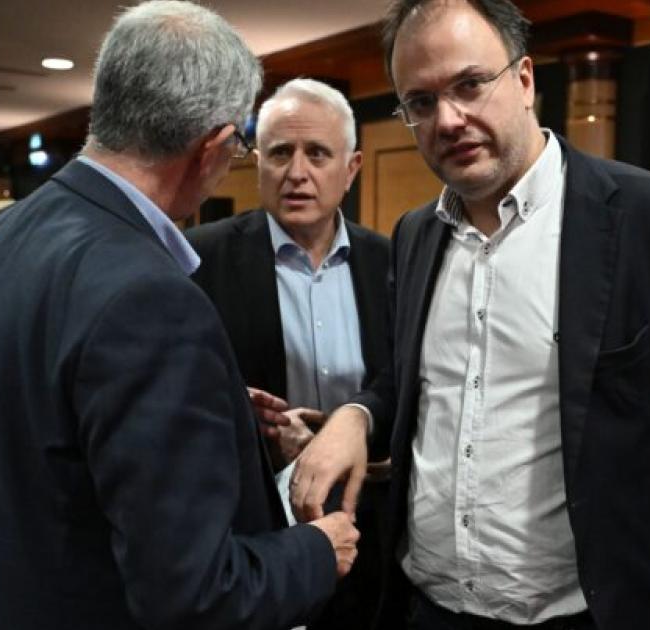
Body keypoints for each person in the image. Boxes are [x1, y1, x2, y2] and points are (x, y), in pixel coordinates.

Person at [289, 0, 650, 628]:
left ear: (524, 80)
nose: (449, 119)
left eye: (470, 84)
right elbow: (412, 383)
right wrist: (357, 416)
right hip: (428, 611)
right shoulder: (416, 234)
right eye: (420, 101)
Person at [0, 2, 358, 629]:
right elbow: (196, 596)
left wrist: (208, 406)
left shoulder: (1, 234)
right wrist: (317, 551)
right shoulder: (151, 299)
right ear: (213, 147)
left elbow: (42, 415)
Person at [186, 78, 390, 629]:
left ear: (351, 168)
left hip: (372, 528)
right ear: (258, 165)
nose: (297, 172)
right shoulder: (199, 260)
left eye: (317, 153)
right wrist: (251, 422)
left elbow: (404, 384)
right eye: (280, 153)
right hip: (257, 539)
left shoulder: (390, 262)